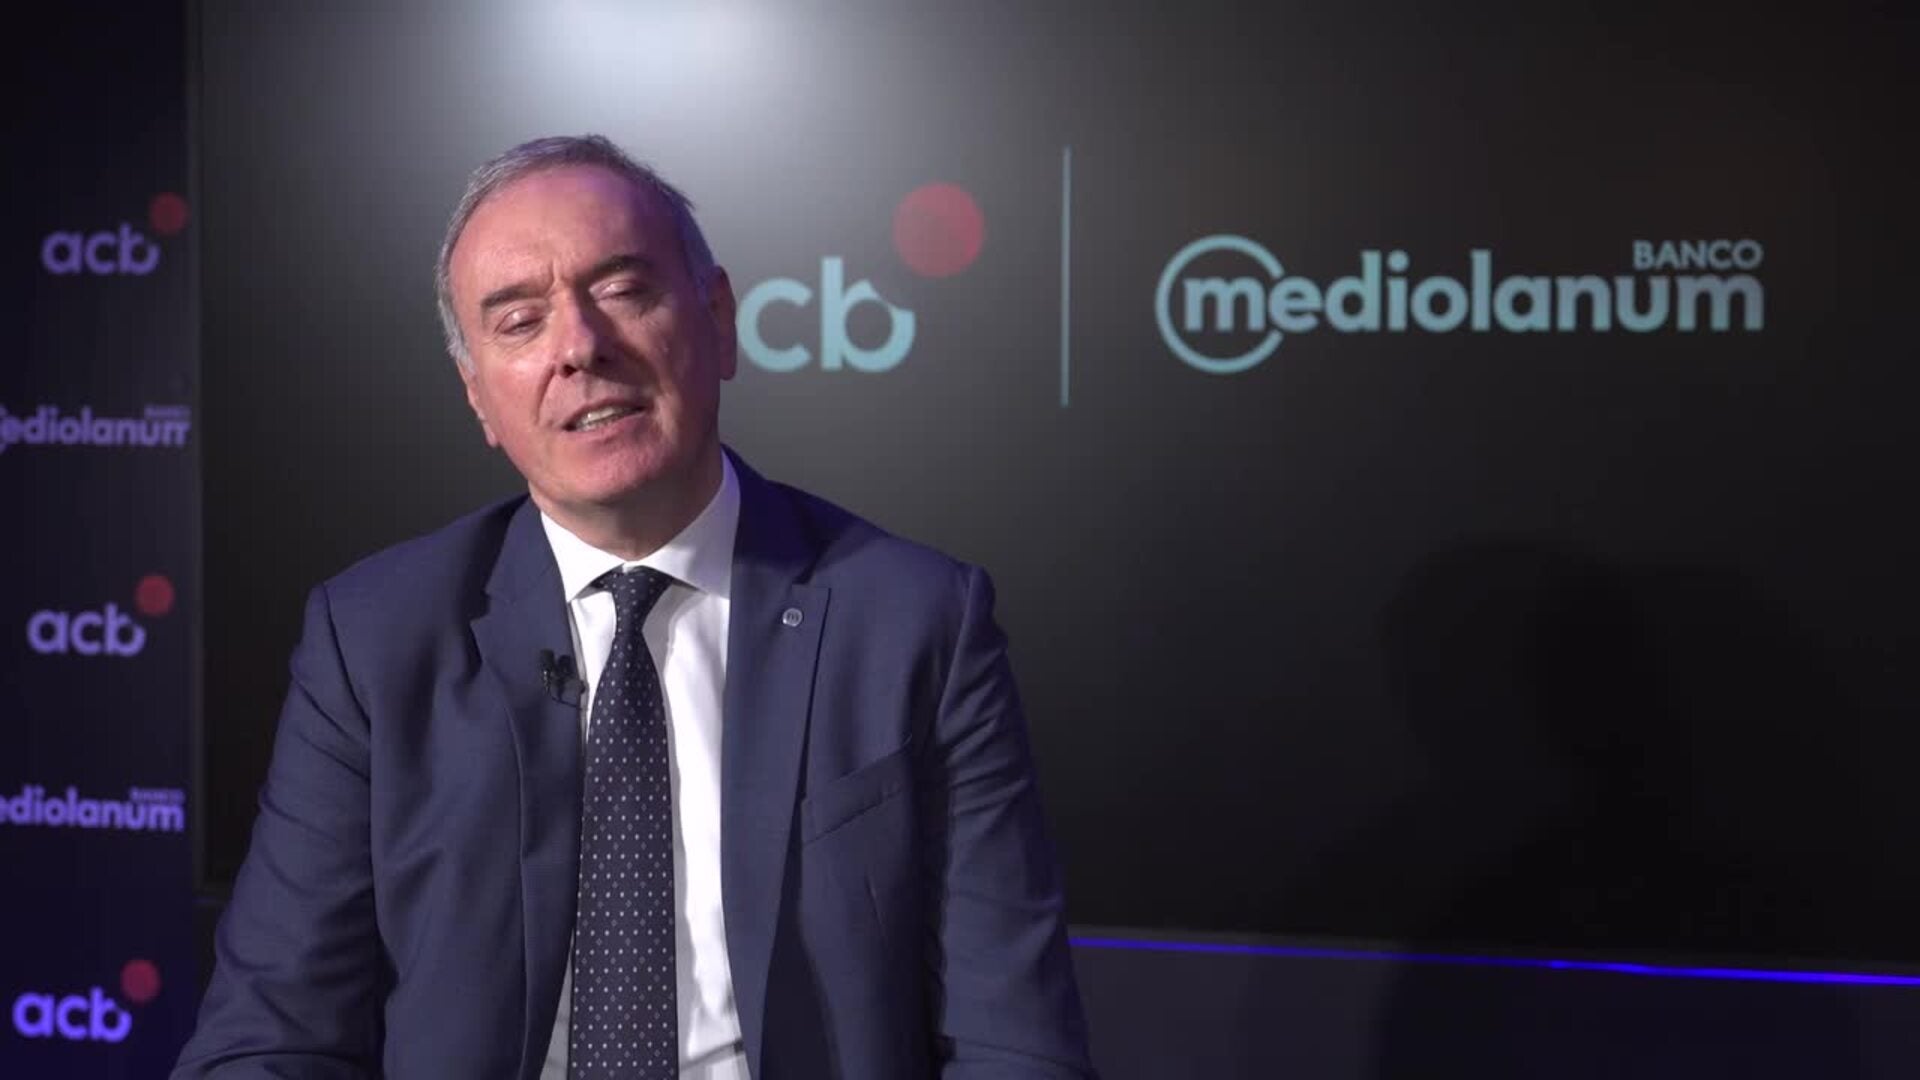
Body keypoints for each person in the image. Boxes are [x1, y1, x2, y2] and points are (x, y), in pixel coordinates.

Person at [174, 135, 1095, 1079]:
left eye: (620, 290)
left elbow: (1015, 1044)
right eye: (520, 322)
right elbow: (270, 1036)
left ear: (718, 321)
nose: (579, 347)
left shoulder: (915, 622)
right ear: (479, 397)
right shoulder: (373, 641)